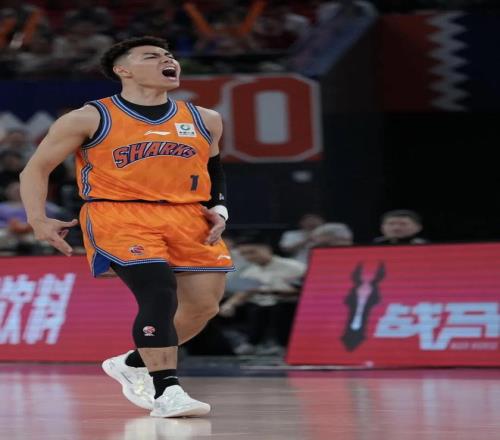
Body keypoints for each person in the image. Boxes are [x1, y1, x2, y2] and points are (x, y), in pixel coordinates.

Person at [19, 36, 234, 418]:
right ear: (123, 70)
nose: (168, 60)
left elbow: (213, 170)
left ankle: (133, 363)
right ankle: (167, 390)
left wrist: (218, 207)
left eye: (169, 55)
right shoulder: (89, 117)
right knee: (159, 292)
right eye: (152, 56)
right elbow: (35, 169)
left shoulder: (205, 118)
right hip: (119, 214)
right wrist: (38, 219)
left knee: (203, 306)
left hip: (187, 215)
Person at [219, 242, 306, 355]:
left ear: (266, 249)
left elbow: (303, 289)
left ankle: (280, 345)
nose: (249, 257)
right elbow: (245, 292)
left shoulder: (295, 267)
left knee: (277, 309)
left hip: (289, 303)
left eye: (252, 252)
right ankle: (248, 344)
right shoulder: (249, 272)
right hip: (259, 304)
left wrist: (272, 291)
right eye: (244, 254)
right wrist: (230, 305)